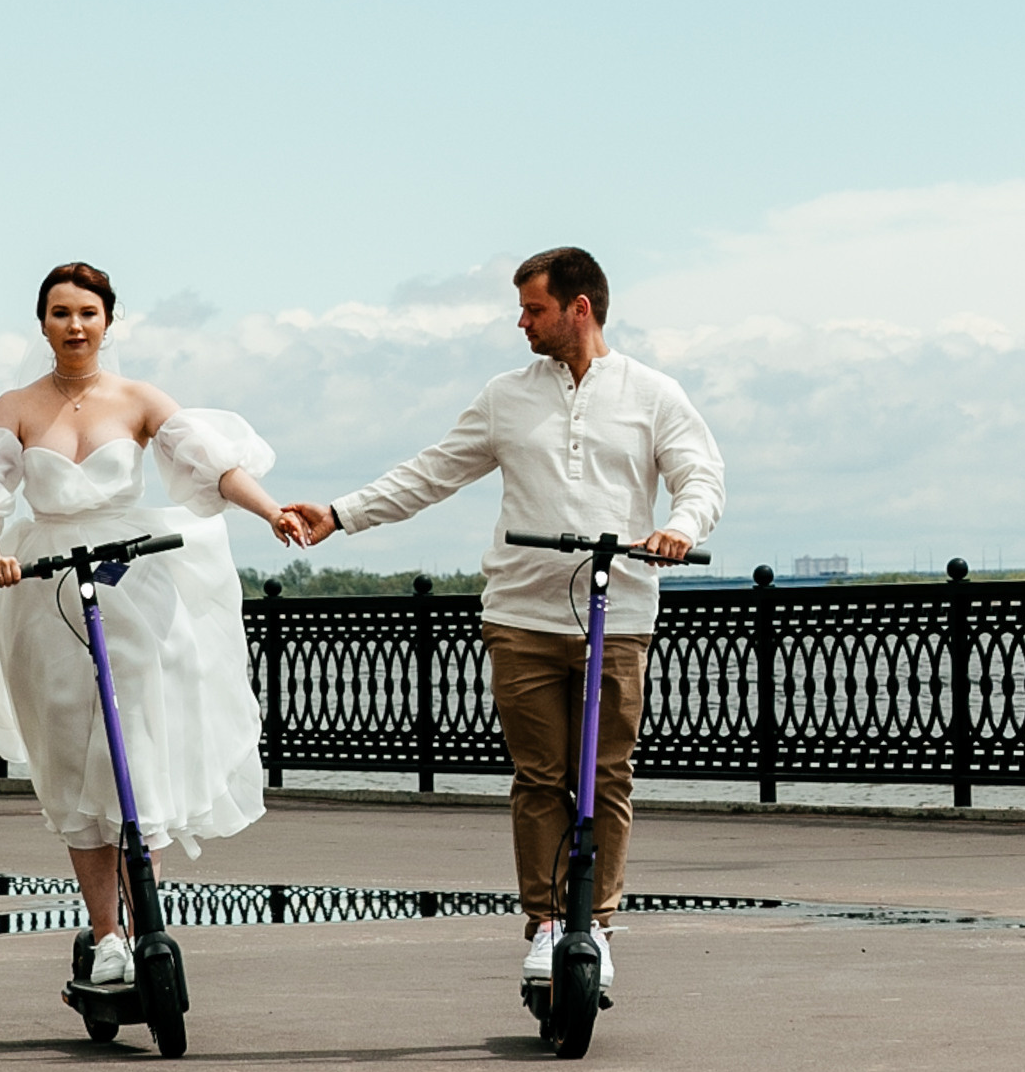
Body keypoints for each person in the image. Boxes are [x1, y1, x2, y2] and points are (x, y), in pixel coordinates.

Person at [288, 247, 723, 1004]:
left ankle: (600, 924)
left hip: (617, 611)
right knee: (540, 778)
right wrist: (341, 515)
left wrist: (679, 526)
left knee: (604, 776)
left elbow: (699, 474)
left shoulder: (653, 394)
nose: (521, 323)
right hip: (520, 614)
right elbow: (434, 470)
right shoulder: (505, 396)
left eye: (533, 310)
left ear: (577, 308)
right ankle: (547, 923)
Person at [0, 261, 308, 988]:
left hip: (133, 576)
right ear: (42, 324)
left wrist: (270, 509)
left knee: (135, 747)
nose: (74, 326)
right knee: (70, 749)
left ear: (107, 321)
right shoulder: (19, 404)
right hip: (46, 586)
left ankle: (143, 914)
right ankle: (105, 934)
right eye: (60, 313)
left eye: (87, 313)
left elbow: (212, 464)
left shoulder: (136, 398)